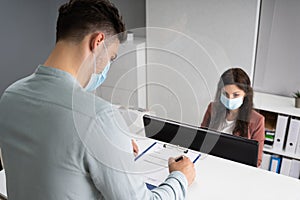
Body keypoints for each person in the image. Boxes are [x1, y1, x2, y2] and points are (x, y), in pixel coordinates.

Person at [0, 0, 195, 199]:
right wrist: (180, 177)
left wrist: (109, 147)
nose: (105, 69)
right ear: (98, 42)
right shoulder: (97, 116)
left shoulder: (10, 97)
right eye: (110, 58)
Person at [201, 68, 265, 167]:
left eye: (236, 95)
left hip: (235, 168)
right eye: (225, 94)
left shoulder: (257, 120)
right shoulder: (212, 108)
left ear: (246, 94)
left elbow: (257, 160)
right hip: (209, 162)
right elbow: (201, 138)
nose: (229, 99)